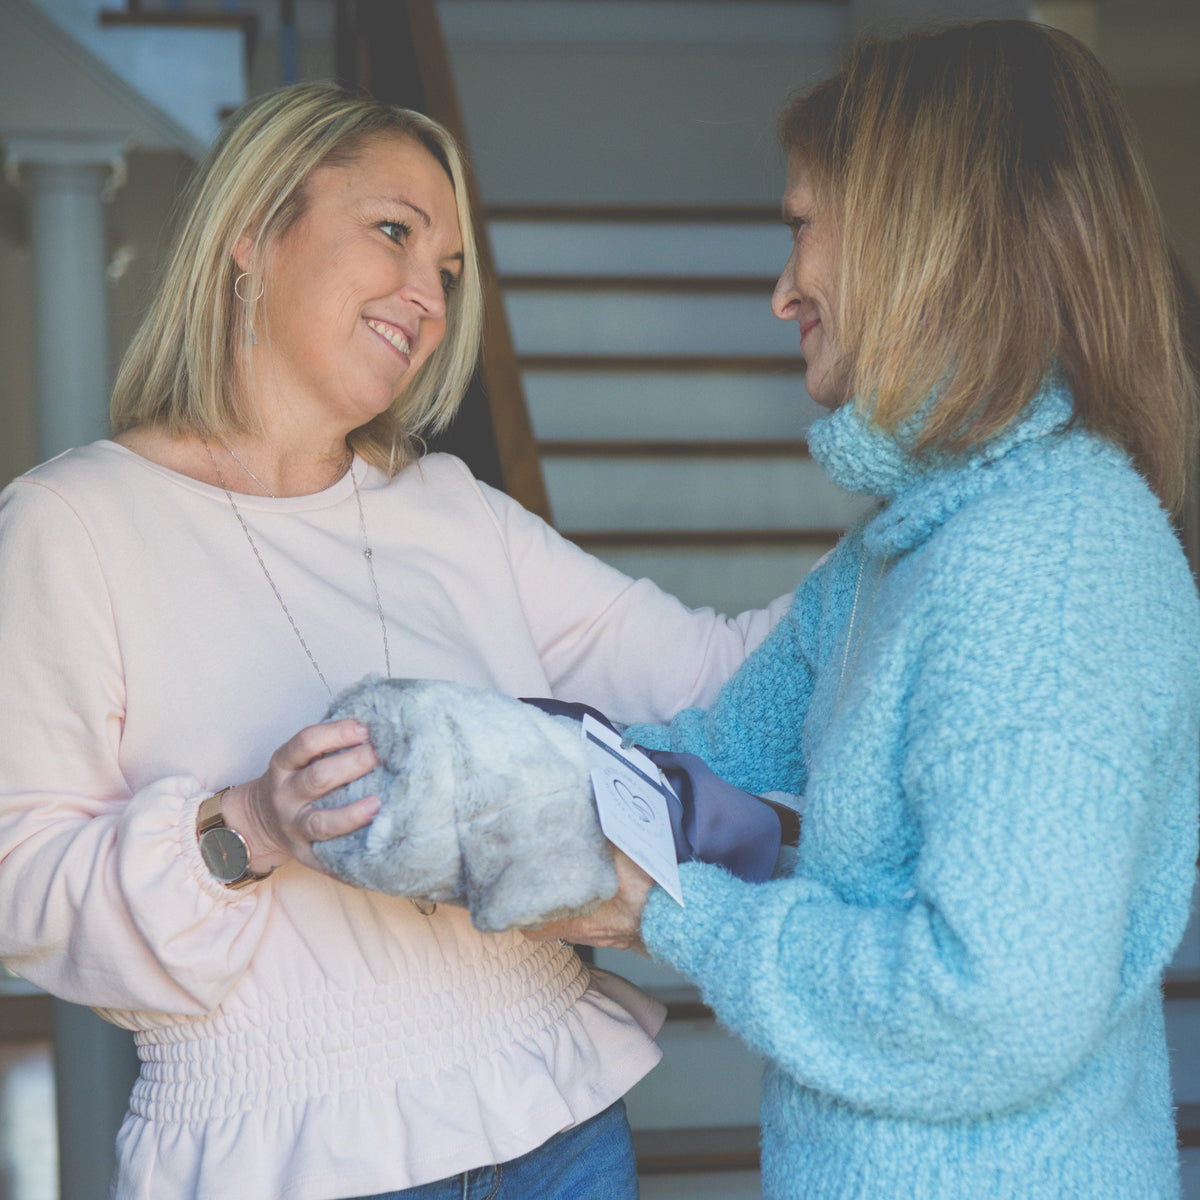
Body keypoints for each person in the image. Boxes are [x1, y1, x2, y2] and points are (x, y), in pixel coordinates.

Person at [0, 83, 792, 1200]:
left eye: (451, 270)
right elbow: (18, 882)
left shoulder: (450, 508)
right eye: (393, 233)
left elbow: (714, 672)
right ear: (252, 232)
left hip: (557, 1129)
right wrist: (249, 826)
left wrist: (915, 542)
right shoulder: (69, 524)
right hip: (287, 1162)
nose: (427, 294)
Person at [531, 21, 1200, 1200]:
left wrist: (681, 922)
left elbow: (993, 1004)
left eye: (800, 227)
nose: (783, 289)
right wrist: (479, 756)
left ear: (921, 236)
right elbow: (711, 756)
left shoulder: (1044, 561)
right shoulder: (901, 551)